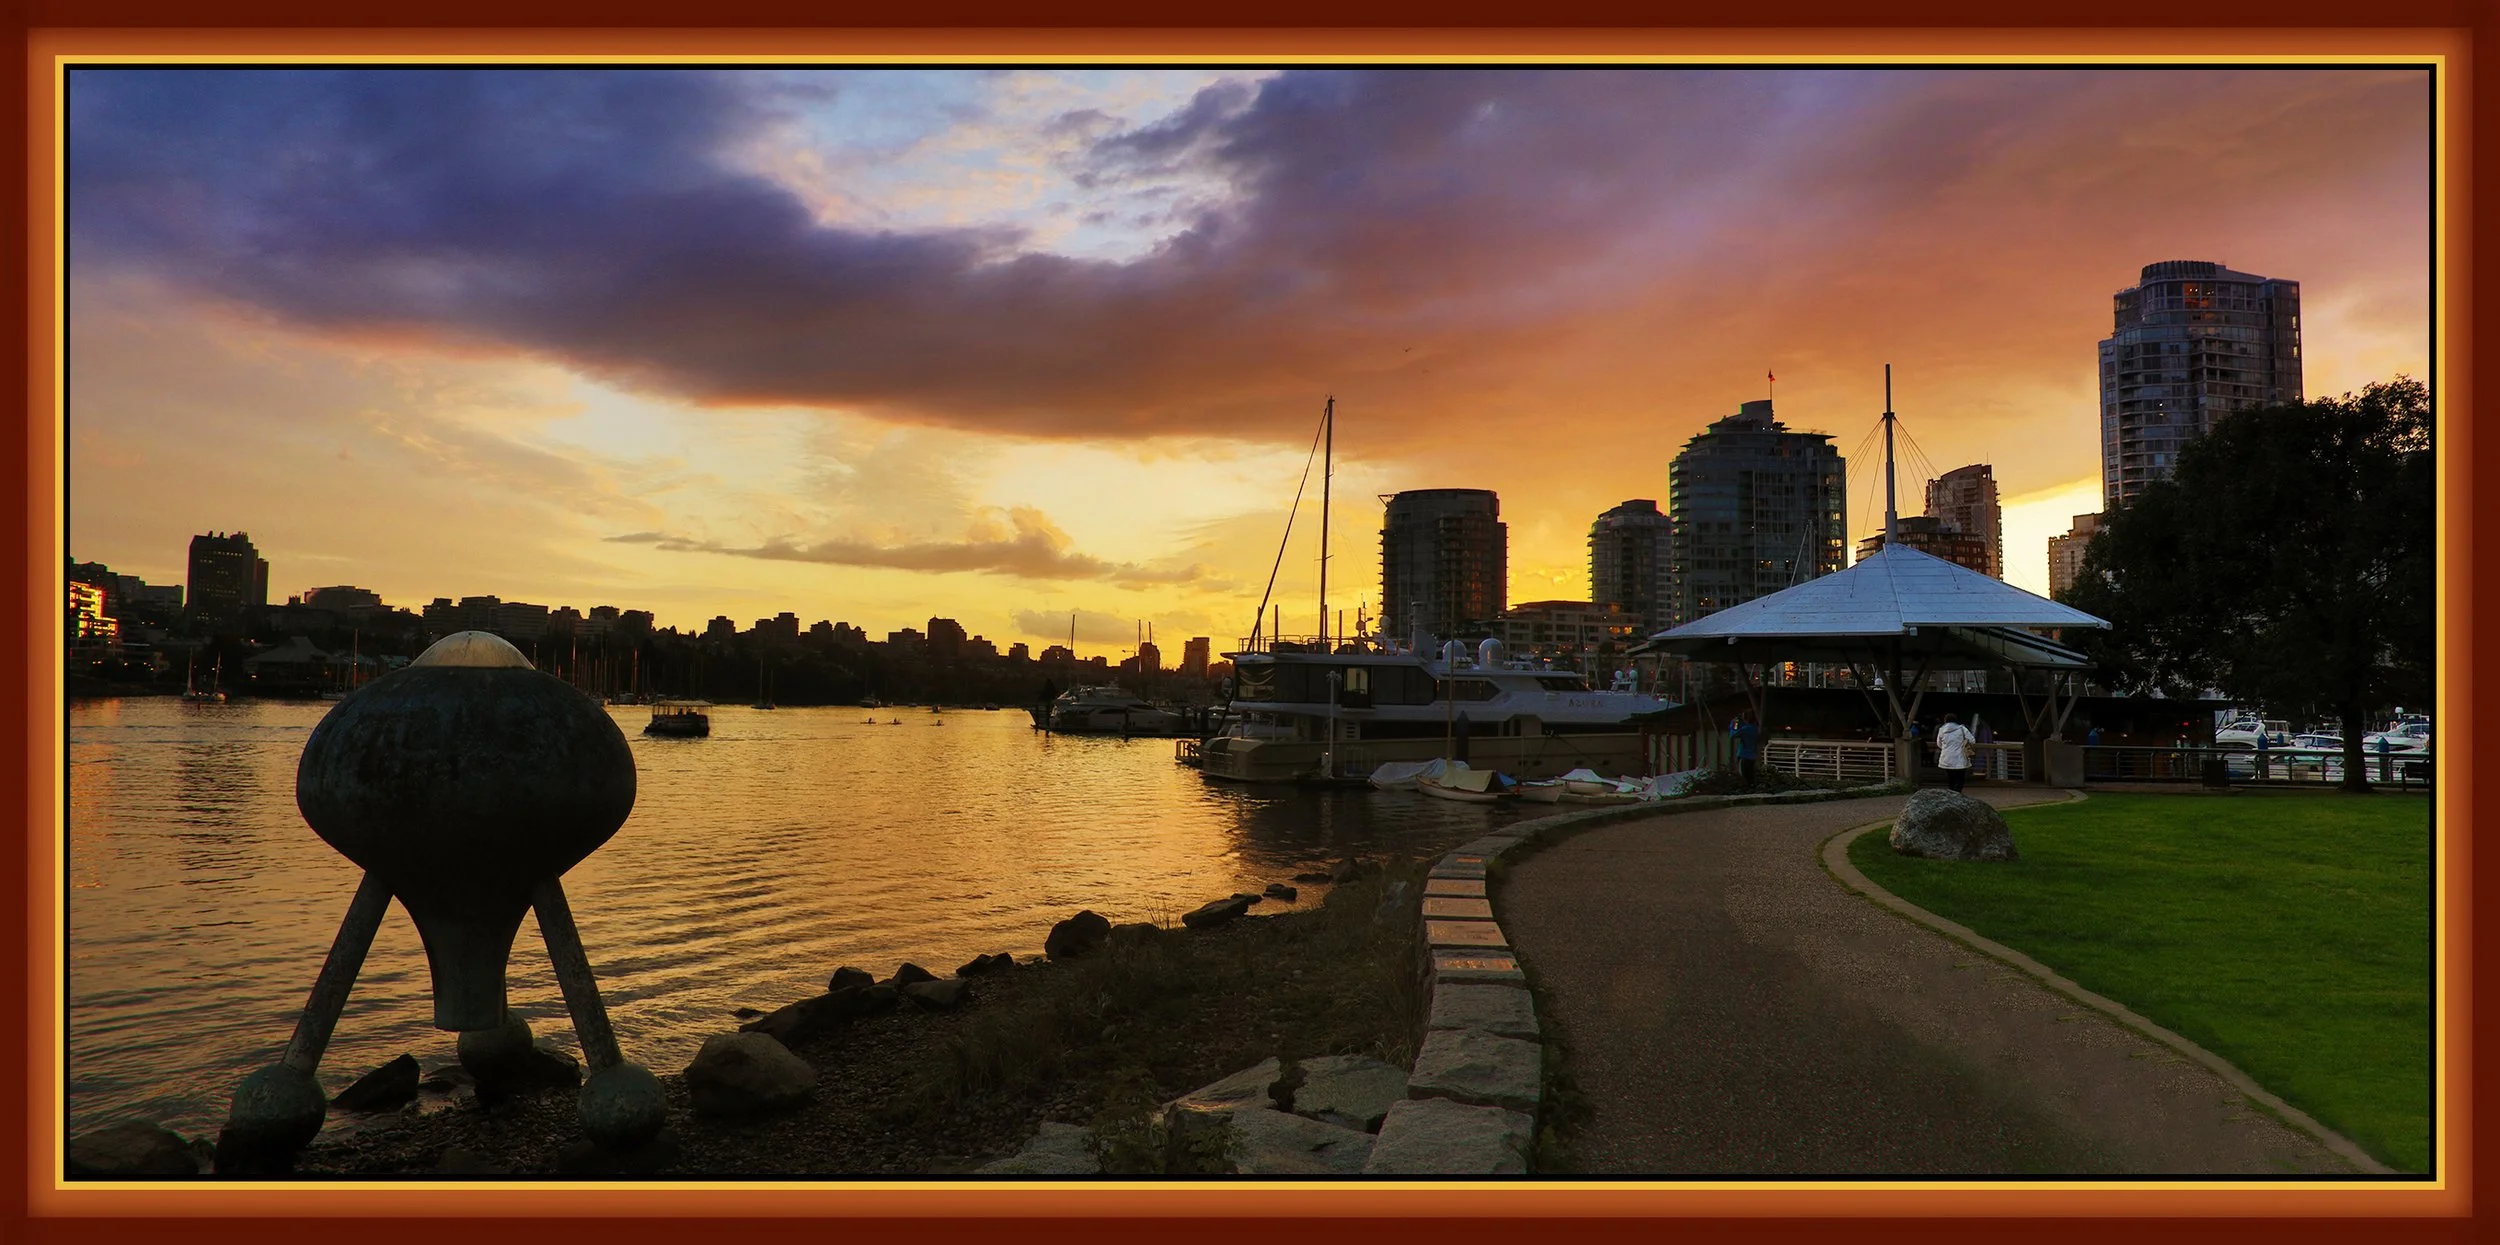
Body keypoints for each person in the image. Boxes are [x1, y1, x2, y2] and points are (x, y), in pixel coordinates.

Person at [1935, 712, 1976, 793]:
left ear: (1945, 720)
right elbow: (1972, 740)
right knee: (1960, 777)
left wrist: (1946, 748)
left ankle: (1952, 793)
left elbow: (1939, 744)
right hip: (1960, 757)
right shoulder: (1962, 729)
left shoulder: (1941, 730)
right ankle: (1957, 793)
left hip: (1947, 757)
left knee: (1950, 777)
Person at [1729, 713, 1761, 786]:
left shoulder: (1746, 729)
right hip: (1752, 756)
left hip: (1744, 756)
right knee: (1750, 777)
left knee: (1744, 778)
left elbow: (1732, 735)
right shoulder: (1754, 728)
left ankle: (1747, 789)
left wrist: (1733, 724)